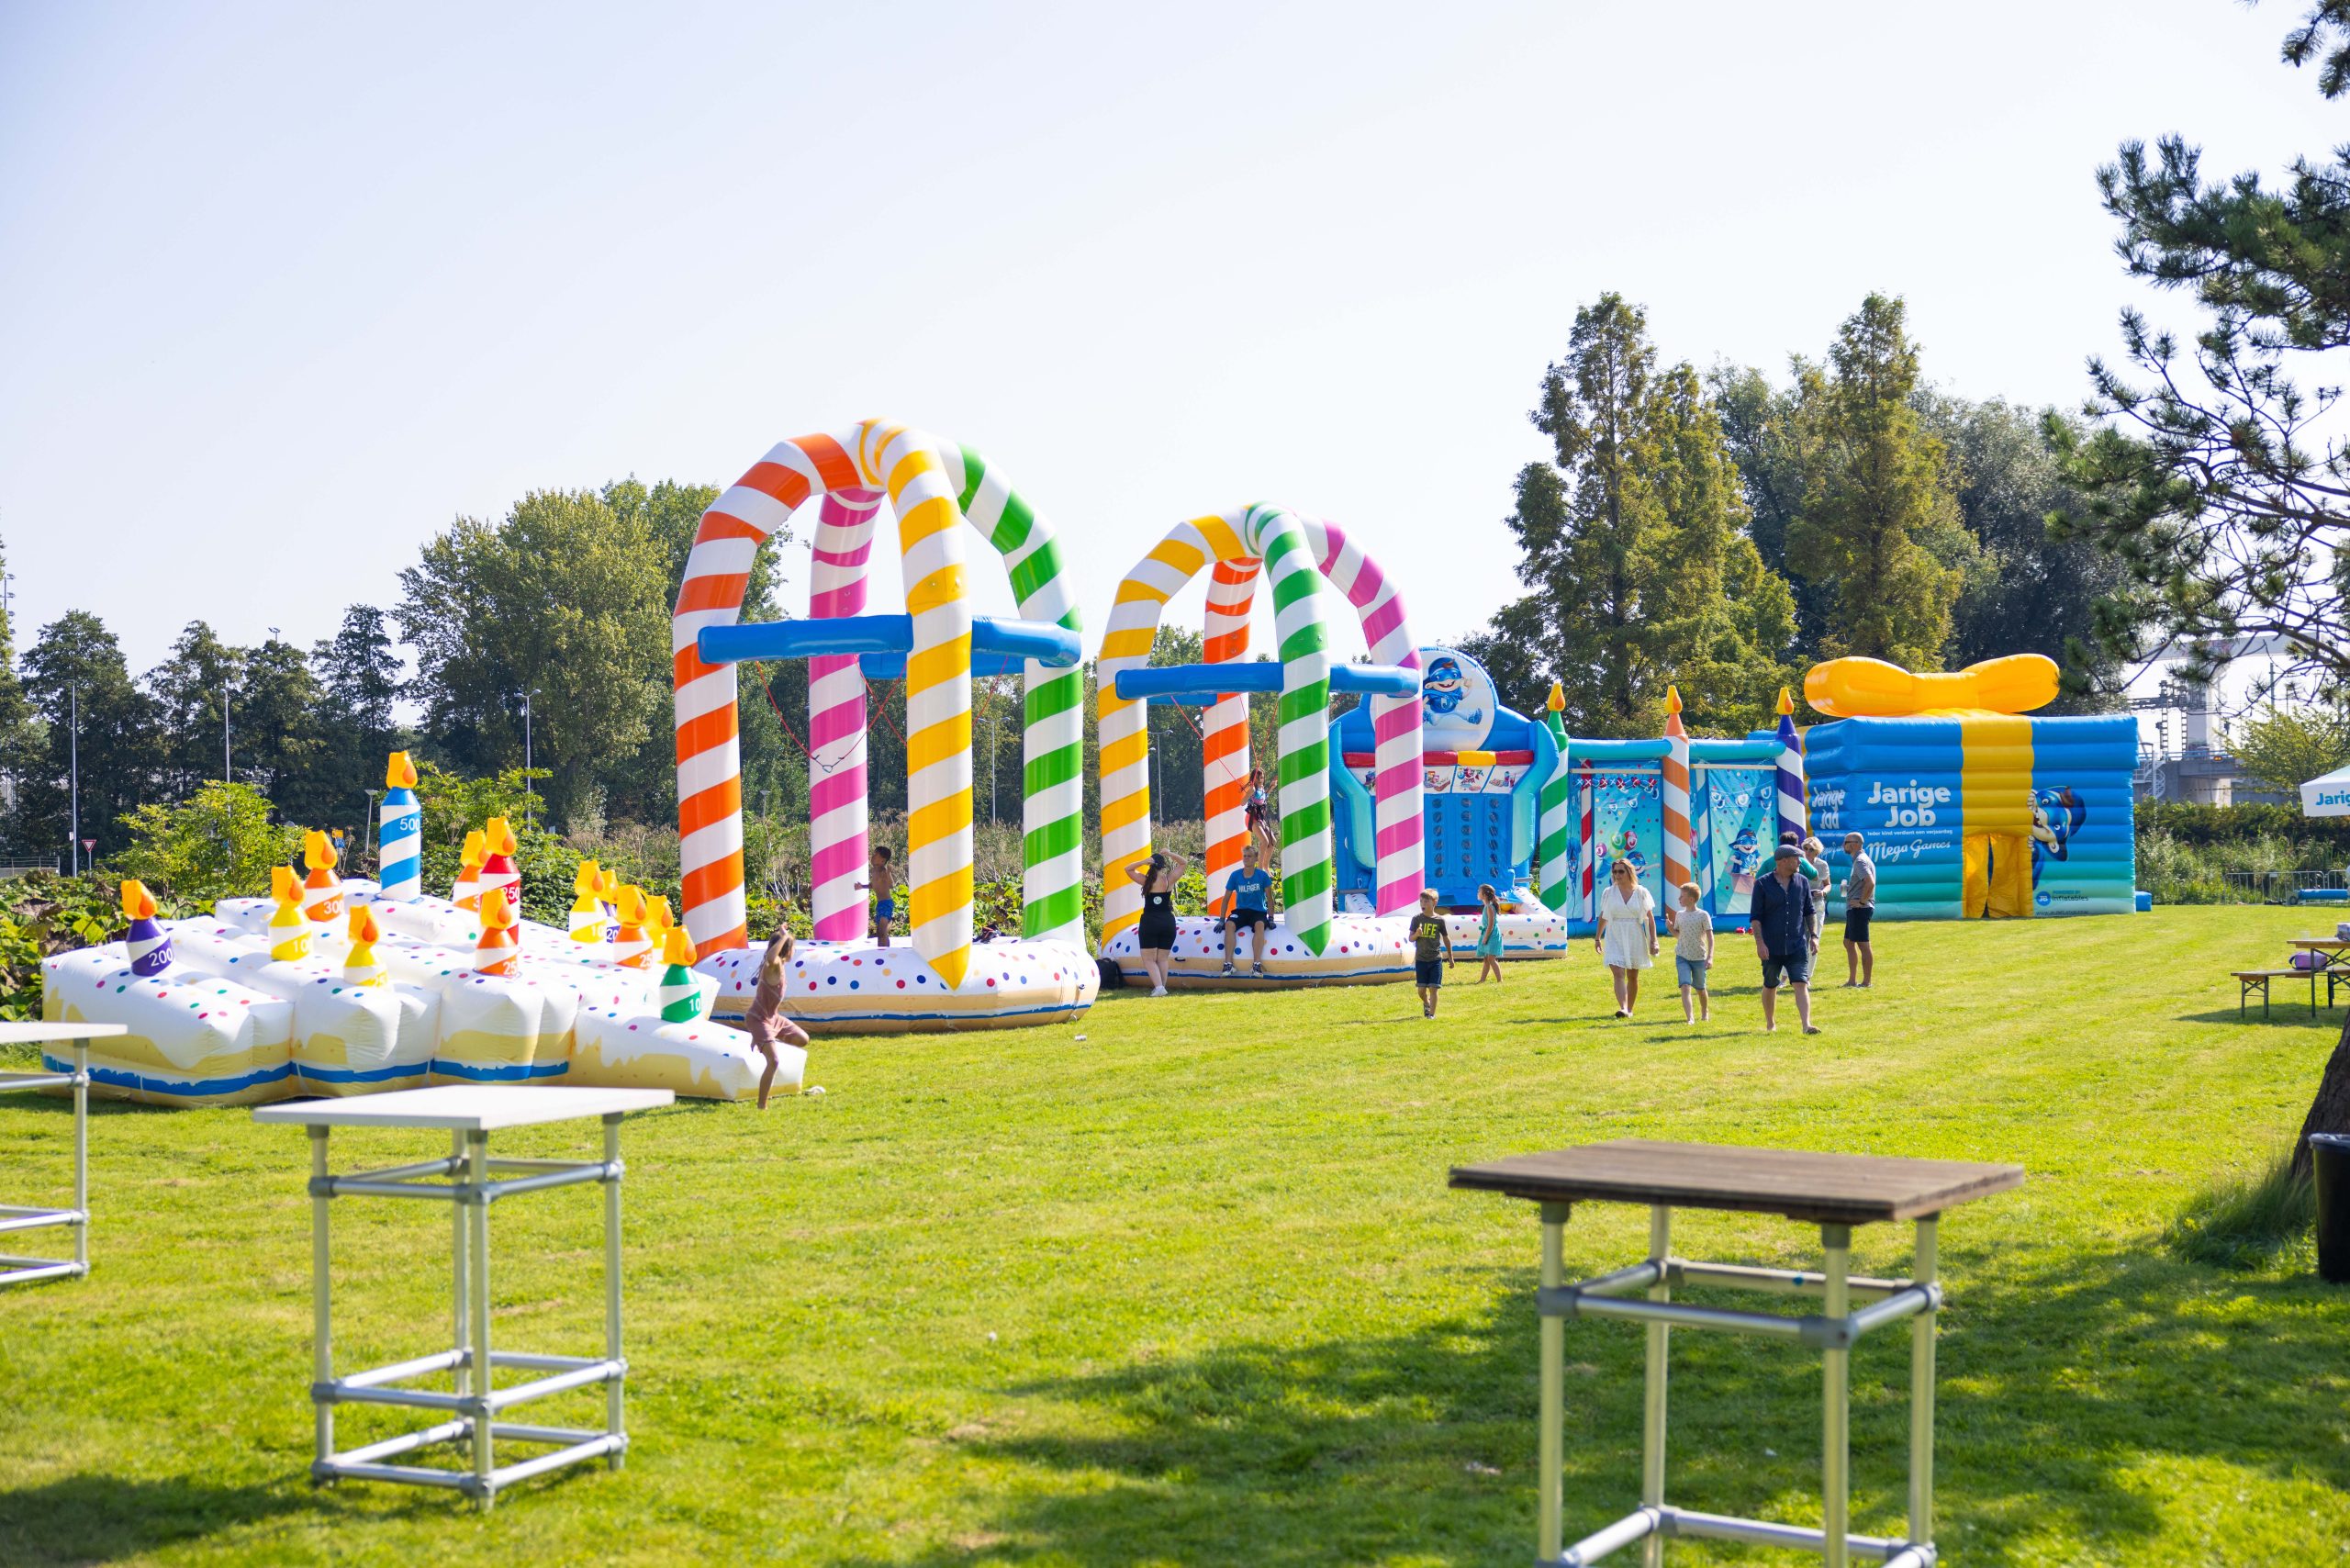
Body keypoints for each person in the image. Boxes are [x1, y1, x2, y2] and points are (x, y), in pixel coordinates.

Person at [739, 926, 812, 1110]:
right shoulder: (774, 964)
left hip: (773, 1018)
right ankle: (761, 1106)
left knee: (802, 1039)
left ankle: (764, 1040)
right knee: (774, 1062)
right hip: (758, 1018)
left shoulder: (781, 966)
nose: (794, 951)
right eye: (793, 947)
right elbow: (771, 957)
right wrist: (784, 937)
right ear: (787, 949)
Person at [1751, 841, 1820, 1034]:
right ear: (1783, 861)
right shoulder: (1762, 884)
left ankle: (1806, 1025)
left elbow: (1810, 911)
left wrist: (1814, 936)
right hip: (1771, 945)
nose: (1800, 862)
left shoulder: (1802, 882)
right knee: (1770, 984)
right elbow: (1756, 918)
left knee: (1801, 983)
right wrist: (1760, 943)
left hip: (1797, 944)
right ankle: (1770, 1023)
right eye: (1797, 858)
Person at [1595, 858, 1659, 1018]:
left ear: (1629, 872)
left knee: (1632, 975)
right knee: (1617, 972)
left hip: (1634, 934)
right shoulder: (1608, 892)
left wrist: (1654, 940)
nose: (1617, 875)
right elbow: (1604, 916)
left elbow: (1650, 918)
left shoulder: (1641, 892)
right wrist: (1597, 938)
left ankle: (1629, 1009)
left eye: (1621, 871)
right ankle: (1623, 1008)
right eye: (1615, 872)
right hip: (1614, 933)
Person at [1124, 847, 1187, 996]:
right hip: (1167, 921)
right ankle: (1161, 988)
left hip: (1150, 921)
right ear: (1163, 866)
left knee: (1148, 959)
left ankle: (1159, 988)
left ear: (1150, 865)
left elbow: (1128, 869)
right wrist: (1170, 853)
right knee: (1162, 958)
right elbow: (1184, 863)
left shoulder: (1146, 881)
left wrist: (1143, 862)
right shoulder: (1169, 880)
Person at [1218, 841, 1277, 977]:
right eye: (1244, 856)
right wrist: (1221, 919)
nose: (1246, 858)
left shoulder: (1262, 876)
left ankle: (1256, 965)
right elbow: (1226, 899)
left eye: (1249, 856)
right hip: (1241, 911)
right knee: (1229, 924)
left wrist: (1271, 918)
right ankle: (1228, 965)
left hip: (1258, 912)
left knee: (1260, 925)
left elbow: (1270, 899)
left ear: (1256, 858)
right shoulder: (1235, 875)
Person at [1667, 880, 1713, 1023]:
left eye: (1682, 896)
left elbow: (1710, 937)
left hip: (1699, 957)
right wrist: (1670, 929)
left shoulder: (1703, 915)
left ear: (1691, 899)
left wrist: (1710, 957)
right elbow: (1679, 936)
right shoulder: (1679, 915)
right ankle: (1690, 1018)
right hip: (1682, 956)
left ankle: (1704, 1011)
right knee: (1685, 985)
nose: (1679, 899)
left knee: (1700, 988)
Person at [1408, 888, 1454, 1018]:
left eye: (1426, 901)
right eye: (1421, 901)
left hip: (1435, 959)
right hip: (1421, 959)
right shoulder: (1416, 919)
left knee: (1434, 988)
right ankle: (1426, 1003)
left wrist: (1451, 957)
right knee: (1421, 990)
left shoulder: (1439, 920)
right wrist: (1417, 934)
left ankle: (1431, 1015)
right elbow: (1410, 938)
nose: (1422, 904)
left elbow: (1446, 938)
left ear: (1435, 902)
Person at [1841, 829, 1876, 988]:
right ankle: (1852, 980)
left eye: (1846, 842)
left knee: (1863, 945)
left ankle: (1866, 982)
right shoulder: (1859, 860)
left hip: (1860, 909)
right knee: (1848, 943)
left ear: (1854, 844)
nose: (1843, 845)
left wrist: (1862, 902)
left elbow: (1870, 882)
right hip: (1855, 908)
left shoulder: (1860, 861)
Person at [1799, 836, 1832, 956]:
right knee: (1799, 939)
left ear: (1817, 852)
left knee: (1814, 940)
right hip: (1799, 904)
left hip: (1817, 903)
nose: (1807, 851)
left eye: (1811, 849)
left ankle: (1809, 969)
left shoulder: (1822, 865)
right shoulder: (1798, 863)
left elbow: (1828, 885)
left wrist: (1823, 892)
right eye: (1805, 848)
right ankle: (1792, 969)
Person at [857, 846, 896, 947]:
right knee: (879, 932)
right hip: (879, 904)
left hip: (887, 903)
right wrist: (862, 886)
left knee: (882, 931)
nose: (873, 856)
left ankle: (886, 952)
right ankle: (881, 951)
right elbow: (873, 885)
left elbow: (891, 885)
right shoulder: (874, 871)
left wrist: (889, 873)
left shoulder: (884, 871)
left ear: (883, 861)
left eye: (876, 855)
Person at [1473, 882, 1505, 984]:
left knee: (1491, 958)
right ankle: (1482, 980)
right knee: (1486, 959)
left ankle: (1500, 980)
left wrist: (1485, 938)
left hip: (1492, 934)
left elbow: (1491, 924)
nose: (1477, 893)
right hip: (1489, 933)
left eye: (1479, 891)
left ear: (1485, 895)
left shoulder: (1489, 907)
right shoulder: (1487, 906)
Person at [1244, 766, 1276, 855]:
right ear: (1254, 779)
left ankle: (1265, 863)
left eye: (1262, 778)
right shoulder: (1253, 790)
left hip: (1260, 819)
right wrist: (1248, 794)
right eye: (1257, 778)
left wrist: (1271, 787)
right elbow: (1242, 803)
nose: (1260, 780)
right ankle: (1260, 863)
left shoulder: (1261, 789)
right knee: (1265, 841)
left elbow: (1264, 797)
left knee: (1272, 841)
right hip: (1252, 818)